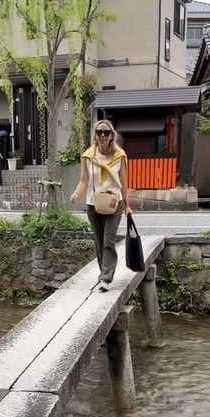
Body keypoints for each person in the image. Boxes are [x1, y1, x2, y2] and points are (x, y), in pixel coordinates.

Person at [70, 120, 132, 292]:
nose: (102, 136)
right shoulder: (88, 156)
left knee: (108, 241)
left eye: (106, 132)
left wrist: (127, 205)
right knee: (99, 241)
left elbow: (124, 183)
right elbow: (84, 180)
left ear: (112, 135)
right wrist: (76, 193)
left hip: (115, 203)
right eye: (99, 132)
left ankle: (105, 278)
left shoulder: (120, 155)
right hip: (93, 204)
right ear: (95, 135)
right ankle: (104, 272)